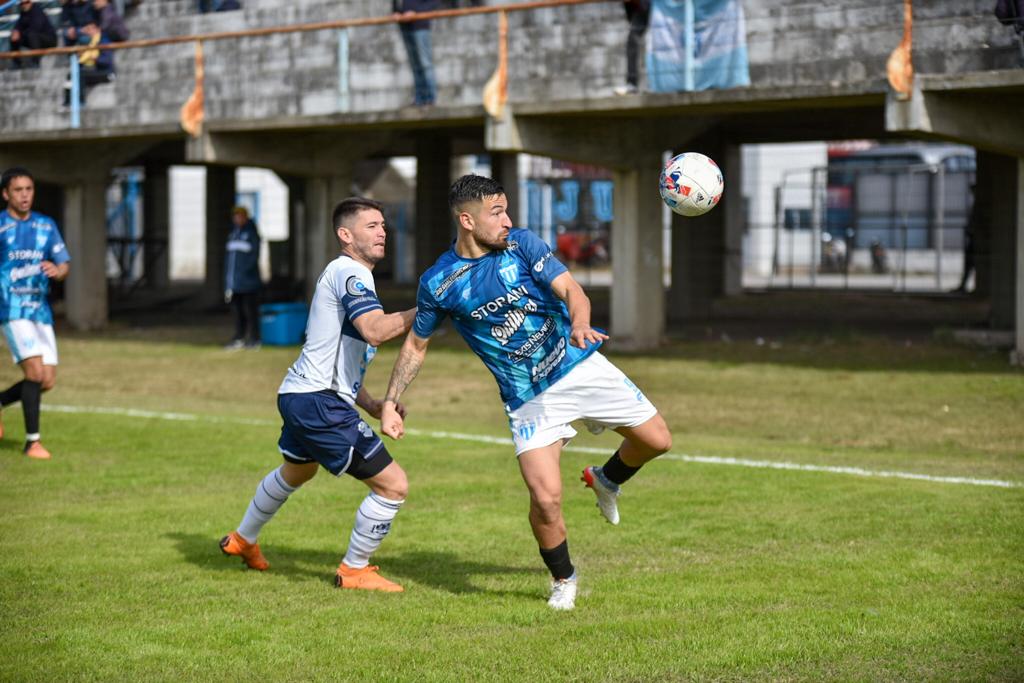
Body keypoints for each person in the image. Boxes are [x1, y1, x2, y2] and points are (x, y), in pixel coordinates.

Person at [380, 175, 672, 610]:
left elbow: (572, 290)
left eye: (506, 210)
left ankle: (607, 478)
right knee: (546, 498)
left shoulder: (522, 245)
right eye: (496, 213)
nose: (507, 220)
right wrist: (389, 402)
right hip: (529, 397)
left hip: (577, 364)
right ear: (467, 220)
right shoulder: (439, 282)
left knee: (657, 440)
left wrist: (578, 323)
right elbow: (415, 346)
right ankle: (564, 579)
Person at [220, 197, 417, 593]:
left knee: (299, 470)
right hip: (317, 401)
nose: (382, 232)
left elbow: (337, 362)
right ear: (345, 235)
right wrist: (430, 307)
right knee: (393, 485)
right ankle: (354, 569)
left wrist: (375, 405)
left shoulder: (351, 278)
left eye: (383, 225)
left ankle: (242, 539)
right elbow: (376, 331)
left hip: (302, 394)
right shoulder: (349, 272)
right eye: (371, 226)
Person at [0, 167, 71, 461]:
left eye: (29, 189)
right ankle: (33, 442)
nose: (25, 195)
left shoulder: (45, 225)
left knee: (47, 381)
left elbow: (64, 263)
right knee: (34, 372)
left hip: (40, 311)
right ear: (6, 194)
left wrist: (58, 271)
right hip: (12, 308)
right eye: (18, 190)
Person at [223, 206, 262, 350]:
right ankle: (239, 337)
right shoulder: (233, 234)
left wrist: (245, 274)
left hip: (249, 282)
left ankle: (255, 339)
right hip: (234, 283)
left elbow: (254, 257)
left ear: (245, 217)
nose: (237, 219)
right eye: (235, 216)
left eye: (240, 216)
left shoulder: (251, 234)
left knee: (251, 312)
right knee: (238, 312)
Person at [392, 0, 439, 107]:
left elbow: (434, 2)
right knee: (415, 65)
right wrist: (395, 12)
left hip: (419, 24)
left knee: (425, 63)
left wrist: (416, 13)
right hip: (404, 25)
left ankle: (430, 98)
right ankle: (420, 98)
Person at [62, 20, 115, 107]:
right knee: (71, 75)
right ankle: (68, 101)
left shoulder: (103, 41)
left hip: (106, 72)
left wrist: (96, 59)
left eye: (90, 29)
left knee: (80, 74)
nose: (88, 32)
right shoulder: (89, 43)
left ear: (97, 29)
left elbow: (107, 61)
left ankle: (80, 101)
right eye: (87, 29)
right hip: (93, 70)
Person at [9, 0, 58, 70]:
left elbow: (36, 28)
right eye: (22, 3)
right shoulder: (23, 13)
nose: (24, 5)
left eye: (26, 2)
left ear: (30, 2)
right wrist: (16, 33)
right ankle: (16, 63)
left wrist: (20, 33)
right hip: (34, 38)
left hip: (50, 40)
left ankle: (35, 62)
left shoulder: (37, 11)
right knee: (14, 37)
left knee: (32, 35)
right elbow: (18, 27)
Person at [615, 0, 650, 95]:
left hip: (651, 6)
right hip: (638, 9)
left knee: (635, 40)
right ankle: (632, 84)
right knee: (633, 41)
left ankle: (636, 83)